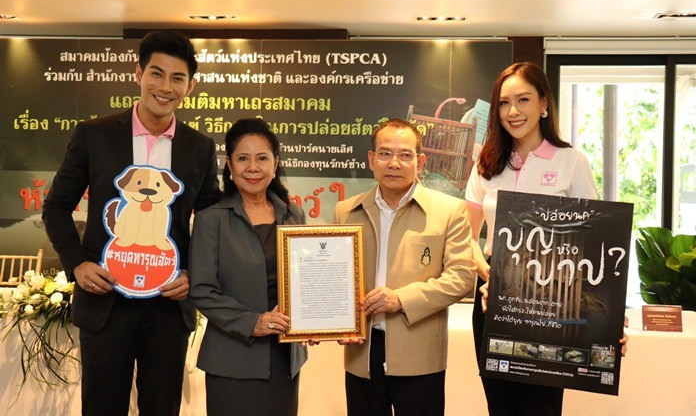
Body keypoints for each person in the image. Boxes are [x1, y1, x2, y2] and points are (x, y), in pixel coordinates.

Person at [42, 30, 222, 416]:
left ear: (190, 86)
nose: (165, 87)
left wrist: (194, 273)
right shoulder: (94, 135)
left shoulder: (200, 148)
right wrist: (78, 263)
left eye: (177, 78)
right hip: (106, 301)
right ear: (138, 73)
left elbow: (212, 223)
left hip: (168, 307)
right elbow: (56, 207)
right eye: (156, 73)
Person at [465, 61, 627, 415]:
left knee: (542, 407)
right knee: (500, 406)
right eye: (504, 103)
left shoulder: (572, 162)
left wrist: (609, 318)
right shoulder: (486, 165)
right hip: (494, 300)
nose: (513, 111)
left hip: (553, 300)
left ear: (543, 103)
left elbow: (595, 244)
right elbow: (465, 236)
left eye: (523, 99)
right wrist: (491, 278)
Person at [333, 118, 479, 416]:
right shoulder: (346, 212)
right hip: (362, 353)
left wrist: (401, 299)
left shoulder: (449, 211)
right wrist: (336, 320)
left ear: (419, 162)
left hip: (419, 356)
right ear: (371, 159)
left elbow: (462, 277)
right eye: (385, 154)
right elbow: (336, 279)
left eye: (404, 155)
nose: (394, 163)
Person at [188, 118, 307, 416]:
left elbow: (305, 279)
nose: (253, 167)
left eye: (262, 158)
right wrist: (253, 322)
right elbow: (202, 290)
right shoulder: (211, 219)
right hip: (233, 360)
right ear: (229, 164)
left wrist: (314, 319)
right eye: (243, 158)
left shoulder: (293, 214)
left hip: (284, 358)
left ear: (275, 163)